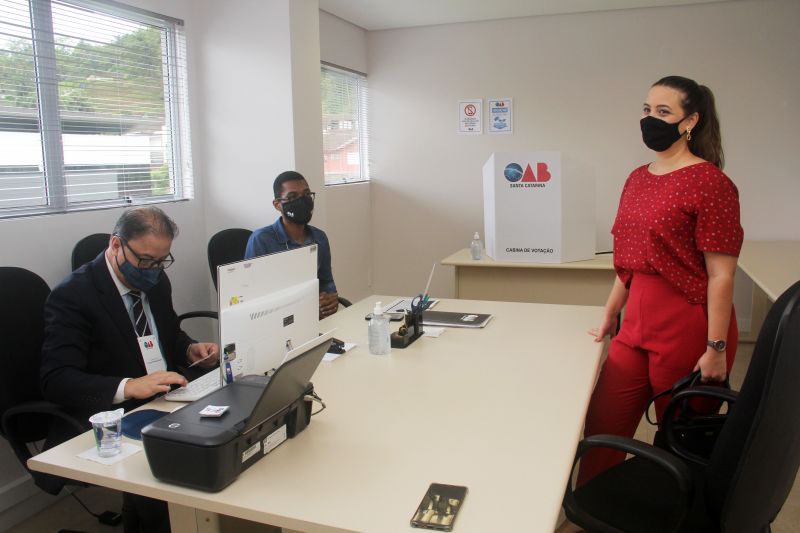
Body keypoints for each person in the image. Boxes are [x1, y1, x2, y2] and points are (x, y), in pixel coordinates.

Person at [577, 75, 744, 487]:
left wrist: (716, 348)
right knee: (602, 425)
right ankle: (594, 504)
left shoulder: (711, 182)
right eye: (647, 109)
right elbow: (630, 262)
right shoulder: (637, 178)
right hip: (636, 322)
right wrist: (610, 313)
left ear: (690, 121)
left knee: (678, 437)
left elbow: (721, 274)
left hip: (688, 324)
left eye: (663, 111)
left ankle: (671, 510)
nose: (651, 119)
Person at [41, 206, 219, 533]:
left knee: (222, 434)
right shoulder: (73, 296)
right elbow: (57, 380)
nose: (153, 270)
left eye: (161, 261)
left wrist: (190, 349)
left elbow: (168, 334)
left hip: (163, 395)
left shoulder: (156, 280)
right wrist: (129, 386)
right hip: (114, 409)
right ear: (116, 245)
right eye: (145, 260)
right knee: (173, 479)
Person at [245, 170, 339, 318]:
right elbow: (252, 298)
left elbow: (326, 281)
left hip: (314, 319)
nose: (302, 201)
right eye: (292, 197)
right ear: (277, 204)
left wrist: (330, 299)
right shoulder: (261, 240)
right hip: (275, 321)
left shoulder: (319, 237)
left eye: (306, 194)